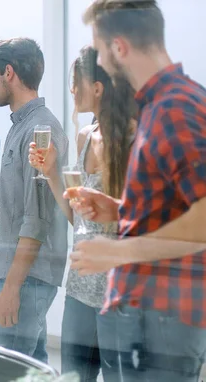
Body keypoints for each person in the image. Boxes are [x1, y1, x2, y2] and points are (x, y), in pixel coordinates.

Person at [68, 1, 206, 380]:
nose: (97, 58)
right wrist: (118, 209)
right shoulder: (159, 106)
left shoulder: (175, 107)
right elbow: (176, 207)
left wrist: (117, 250)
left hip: (163, 322)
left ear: (119, 47)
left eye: (98, 48)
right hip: (151, 318)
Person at [28, 46, 136, 381]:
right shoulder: (85, 136)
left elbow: (142, 219)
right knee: (73, 376)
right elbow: (78, 218)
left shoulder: (136, 140)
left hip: (119, 293)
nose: (71, 90)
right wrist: (51, 173)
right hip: (78, 286)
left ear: (98, 88)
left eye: (76, 83)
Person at [0, 38, 69, 363]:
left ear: (9, 72)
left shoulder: (39, 130)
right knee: (33, 367)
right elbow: (26, 205)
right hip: (24, 277)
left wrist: (11, 289)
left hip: (27, 279)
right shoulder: (22, 126)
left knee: (9, 369)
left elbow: (37, 220)